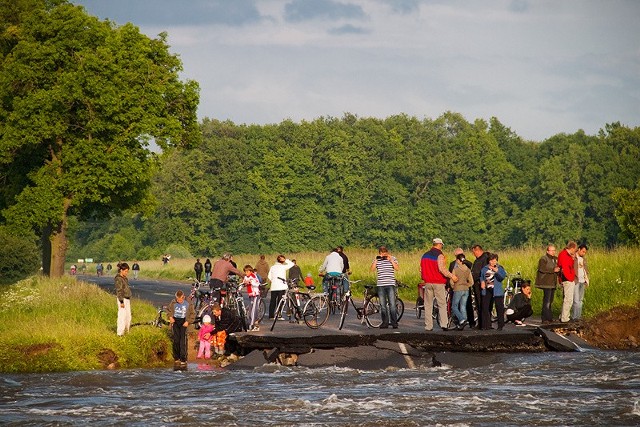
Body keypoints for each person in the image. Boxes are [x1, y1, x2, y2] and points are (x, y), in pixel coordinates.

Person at [421, 238, 457, 331]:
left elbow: (421, 269)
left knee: (428, 305)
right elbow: (442, 269)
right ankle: (444, 324)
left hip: (428, 282)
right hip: (438, 282)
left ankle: (428, 326)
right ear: (439, 244)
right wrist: (451, 276)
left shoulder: (424, 255)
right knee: (442, 304)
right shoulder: (439, 255)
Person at [370, 246, 399, 329]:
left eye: (385, 253)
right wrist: (376, 260)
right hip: (380, 284)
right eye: (382, 253)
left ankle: (394, 322)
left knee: (392, 304)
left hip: (390, 284)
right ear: (380, 253)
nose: (383, 254)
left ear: (387, 252)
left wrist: (391, 260)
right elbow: (371, 269)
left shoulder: (393, 258)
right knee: (382, 305)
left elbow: (397, 268)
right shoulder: (378, 260)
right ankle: (385, 322)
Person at [480, 253, 507, 330]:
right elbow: (482, 276)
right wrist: (482, 282)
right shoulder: (485, 268)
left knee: (499, 307)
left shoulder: (500, 268)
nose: (493, 262)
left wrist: (497, 271)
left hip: (497, 290)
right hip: (487, 289)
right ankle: (487, 325)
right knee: (485, 307)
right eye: (491, 260)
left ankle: (500, 325)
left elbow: (502, 277)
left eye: (495, 261)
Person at [168, 290, 196, 365]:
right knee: (176, 340)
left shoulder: (188, 303)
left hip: (184, 322)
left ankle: (183, 358)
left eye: (180, 299)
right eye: (178, 299)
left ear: (183, 297)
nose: (179, 301)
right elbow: (169, 310)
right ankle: (176, 357)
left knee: (182, 341)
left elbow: (193, 314)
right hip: (176, 321)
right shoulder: (173, 302)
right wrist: (170, 317)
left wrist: (188, 321)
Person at [535, 245, 560, 324]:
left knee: (550, 301)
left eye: (554, 250)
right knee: (547, 301)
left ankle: (549, 317)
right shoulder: (543, 259)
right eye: (551, 250)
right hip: (546, 283)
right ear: (547, 251)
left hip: (553, 283)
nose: (553, 252)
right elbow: (542, 268)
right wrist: (553, 270)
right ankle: (544, 318)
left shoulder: (556, 259)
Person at [267, 255, 294, 319]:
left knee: (272, 301)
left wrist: (273, 281)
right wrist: (285, 260)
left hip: (273, 286)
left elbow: (269, 276)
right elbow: (292, 264)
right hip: (281, 286)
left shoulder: (272, 267)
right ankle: (279, 315)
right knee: (280, 301)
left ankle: (271, 316)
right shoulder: (283, 267)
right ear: (282, 261)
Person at [451, 253, 473, 330]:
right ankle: (464, 320)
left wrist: (453, 286)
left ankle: (461, 319)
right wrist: (467, 285)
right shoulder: (468, 269)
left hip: (458, 289)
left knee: (454, 306)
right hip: (466, 289)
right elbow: (471, 282)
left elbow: (451, 281)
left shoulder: (455, 270)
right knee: (463, 306)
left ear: (458, 260)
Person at [558, 241, 578, 323]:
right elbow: (565, 268)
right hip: (567, 279)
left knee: (567, 299)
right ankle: (565, 318)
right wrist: (570, 278)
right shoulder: (564, 255)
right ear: (572, 248)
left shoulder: (566, 255)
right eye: (575, 249)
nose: (575, 251)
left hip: (567, 278)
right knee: (568, 299)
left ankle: (563, 315)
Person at [470, 244, 489, 329]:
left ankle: (483, 324)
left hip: (480, 284)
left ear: (477, 250)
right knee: (478, 304)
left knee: (481, 304)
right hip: (476, 283)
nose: (474, 254)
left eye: (474, 252)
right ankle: (481, 323)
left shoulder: (484, 259)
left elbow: (483, 272)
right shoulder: (478, 260)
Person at [572, 244, 590, 320]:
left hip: (582, 281)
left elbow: (585, 270)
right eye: (583, 251)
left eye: (585, 252)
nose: (584, 253)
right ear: (579, 249)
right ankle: (574, 317)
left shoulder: (583, 259)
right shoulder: (573, 257)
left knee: (580, 300)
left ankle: (578, 316)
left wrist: (586, 279)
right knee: (576, 300)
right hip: (576, 280)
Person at [242, 264, 262, 331]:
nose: (246, 273)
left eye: (247, 271)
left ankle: (252, 324)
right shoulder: (246, 277)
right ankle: (255, 323)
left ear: (250, 271)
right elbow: (243, 284)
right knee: (250, 309)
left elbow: (257, 284)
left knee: (253, 310)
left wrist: (251, 282)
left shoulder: (253, 276)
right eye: (245, 272)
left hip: (255, 294)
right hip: (250, 295)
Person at [114, 262, 132, 336]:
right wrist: (121, 301)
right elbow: (119, 290)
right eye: (125, 271)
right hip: (122, 299)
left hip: (127, 299)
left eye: (127, 271)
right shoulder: (118, 279)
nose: (126, 273)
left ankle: (127, 331)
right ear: (121, 270)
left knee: (128, 316)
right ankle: (120, 333)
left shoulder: (125, 278)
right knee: (122, 316)